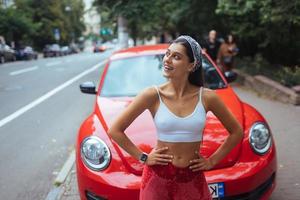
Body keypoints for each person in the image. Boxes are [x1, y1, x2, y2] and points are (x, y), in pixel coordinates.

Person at [108, 35, 243, 200]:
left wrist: (212, 161)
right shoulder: (152, 95)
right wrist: (143, 157)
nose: (168, 59)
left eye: (176, 57)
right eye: (167, 54)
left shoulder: (207, 97)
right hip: (157, 178)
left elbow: (236, 132)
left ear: (191, 65)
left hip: (192, 178)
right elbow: (115, 130)